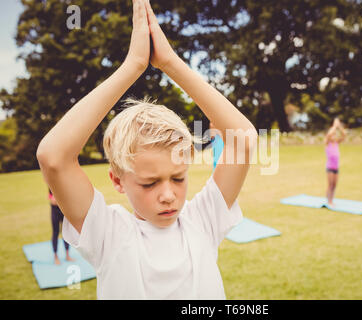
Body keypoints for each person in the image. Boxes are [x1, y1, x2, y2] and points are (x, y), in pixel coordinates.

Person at [36, 0, 257, 299]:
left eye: (178, 178)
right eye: (150, 182)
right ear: (117, 180)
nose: (168, 195)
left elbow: (242, 139)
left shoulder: (203, 219)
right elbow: (54, 157)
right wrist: (133, 66)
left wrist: (170, 62)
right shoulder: (107, 234)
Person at [48, 188, 75, 265]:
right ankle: (56, 256)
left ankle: (67, 255)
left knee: (66, 232)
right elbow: (53, 200)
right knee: (55, 232)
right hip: (55, 210)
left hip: (63, 210)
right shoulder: (51, 184)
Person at [324, 118, 346, 207]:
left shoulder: (336, 143)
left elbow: (344, 134)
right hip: (330, 168)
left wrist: (339, 126)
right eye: (333, 135)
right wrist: (334, 126)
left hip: (336, 168)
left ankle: (331, 200)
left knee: (334, 185)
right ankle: (329, 201)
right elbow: (329, 134)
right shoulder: (327, 143)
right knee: (330, 185)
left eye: (334, 135)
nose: (333, 136)